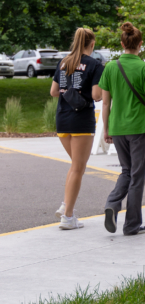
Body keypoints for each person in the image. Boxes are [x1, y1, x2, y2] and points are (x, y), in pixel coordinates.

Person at [99, 21, 145, 236]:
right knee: (137, 176)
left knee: (126, 171)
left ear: (122, 44)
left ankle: (112, 202)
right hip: (138, 128)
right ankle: (132, 225)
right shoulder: (144, 68)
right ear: (141, 45)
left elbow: (105, 103)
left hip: (117, 128)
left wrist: (106, 128)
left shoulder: (110, 67)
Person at [50, 28, 103, 230]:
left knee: (75, 166)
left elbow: (54, 91)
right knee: (78, 168)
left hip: (62, 119)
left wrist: (69, 89)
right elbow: (97, 95)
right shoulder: (95, 65)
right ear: (92, 44)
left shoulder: (63, 62)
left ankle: (66, 205)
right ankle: (68, 217)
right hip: (81, 120)